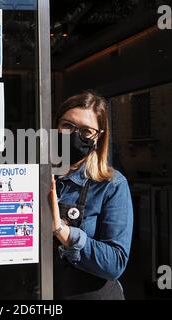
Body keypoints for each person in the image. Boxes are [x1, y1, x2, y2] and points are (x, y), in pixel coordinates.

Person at [50, 90, 133, 300]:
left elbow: (115, 263)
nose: (75, 136)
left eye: (86, 131)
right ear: (55, 126)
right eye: (68, 126)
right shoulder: (34, 175)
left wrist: (62, 231)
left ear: (98, 138)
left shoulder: (112, 184)